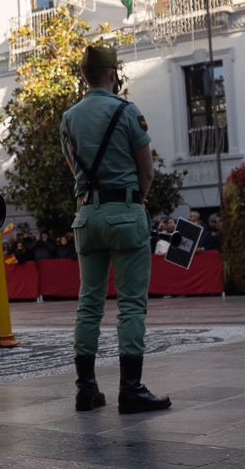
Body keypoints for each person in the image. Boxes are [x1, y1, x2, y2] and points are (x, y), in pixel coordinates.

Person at [61, 45, 167, 415]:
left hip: (87, 215)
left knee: (89, 303)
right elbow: (147, 170)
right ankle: (131, 388)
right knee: (131, 304)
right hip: (125, 210)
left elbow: (73, 166)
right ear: (112, 74)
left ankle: (86, 389)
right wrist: (137, 199)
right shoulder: (127, 112)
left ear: (85, 75)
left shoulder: (69, 117)